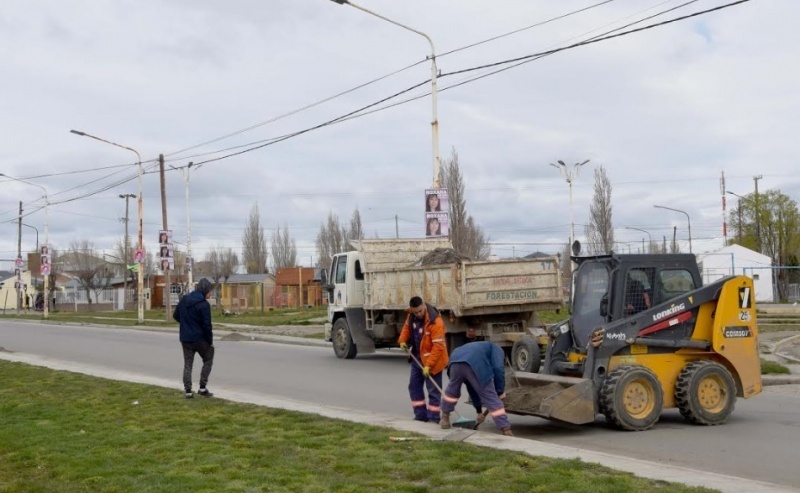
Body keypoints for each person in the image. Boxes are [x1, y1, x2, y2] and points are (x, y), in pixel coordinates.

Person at [440, 341, 513, 436]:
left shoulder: (477, 346)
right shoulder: (497, 348)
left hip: (455, 362)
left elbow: (472, 387)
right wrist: (500, 391)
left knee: (452, 392)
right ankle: (506, 430)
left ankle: (445, 418)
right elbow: (498, 368)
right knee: (490, 397)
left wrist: (479, 411)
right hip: (475, 363)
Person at [398, 296, 449, 423]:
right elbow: (406, 328)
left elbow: (438, 347)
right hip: (417, 359)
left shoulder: (435, 322)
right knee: (414, 387)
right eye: (415, 312)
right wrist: (402, 340)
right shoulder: (411, 316)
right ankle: (420, 415)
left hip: (434, 361)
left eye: (420, 311)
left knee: (433, 390)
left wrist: (429, 365)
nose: (418, 314)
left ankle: (433, 418)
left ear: (424, 306)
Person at [173, 278, 215, 398]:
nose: (210, 293)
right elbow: (207, 325)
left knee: (188, 364)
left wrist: (186, 323)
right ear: (204, 290)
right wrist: (210, 341)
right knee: (208, 358)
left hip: (186, 338)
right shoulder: (204, 305)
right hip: (200, 339)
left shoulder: (185, 299)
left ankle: (188, 391)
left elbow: (176, 315)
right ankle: (202, 387)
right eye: (209, 291)